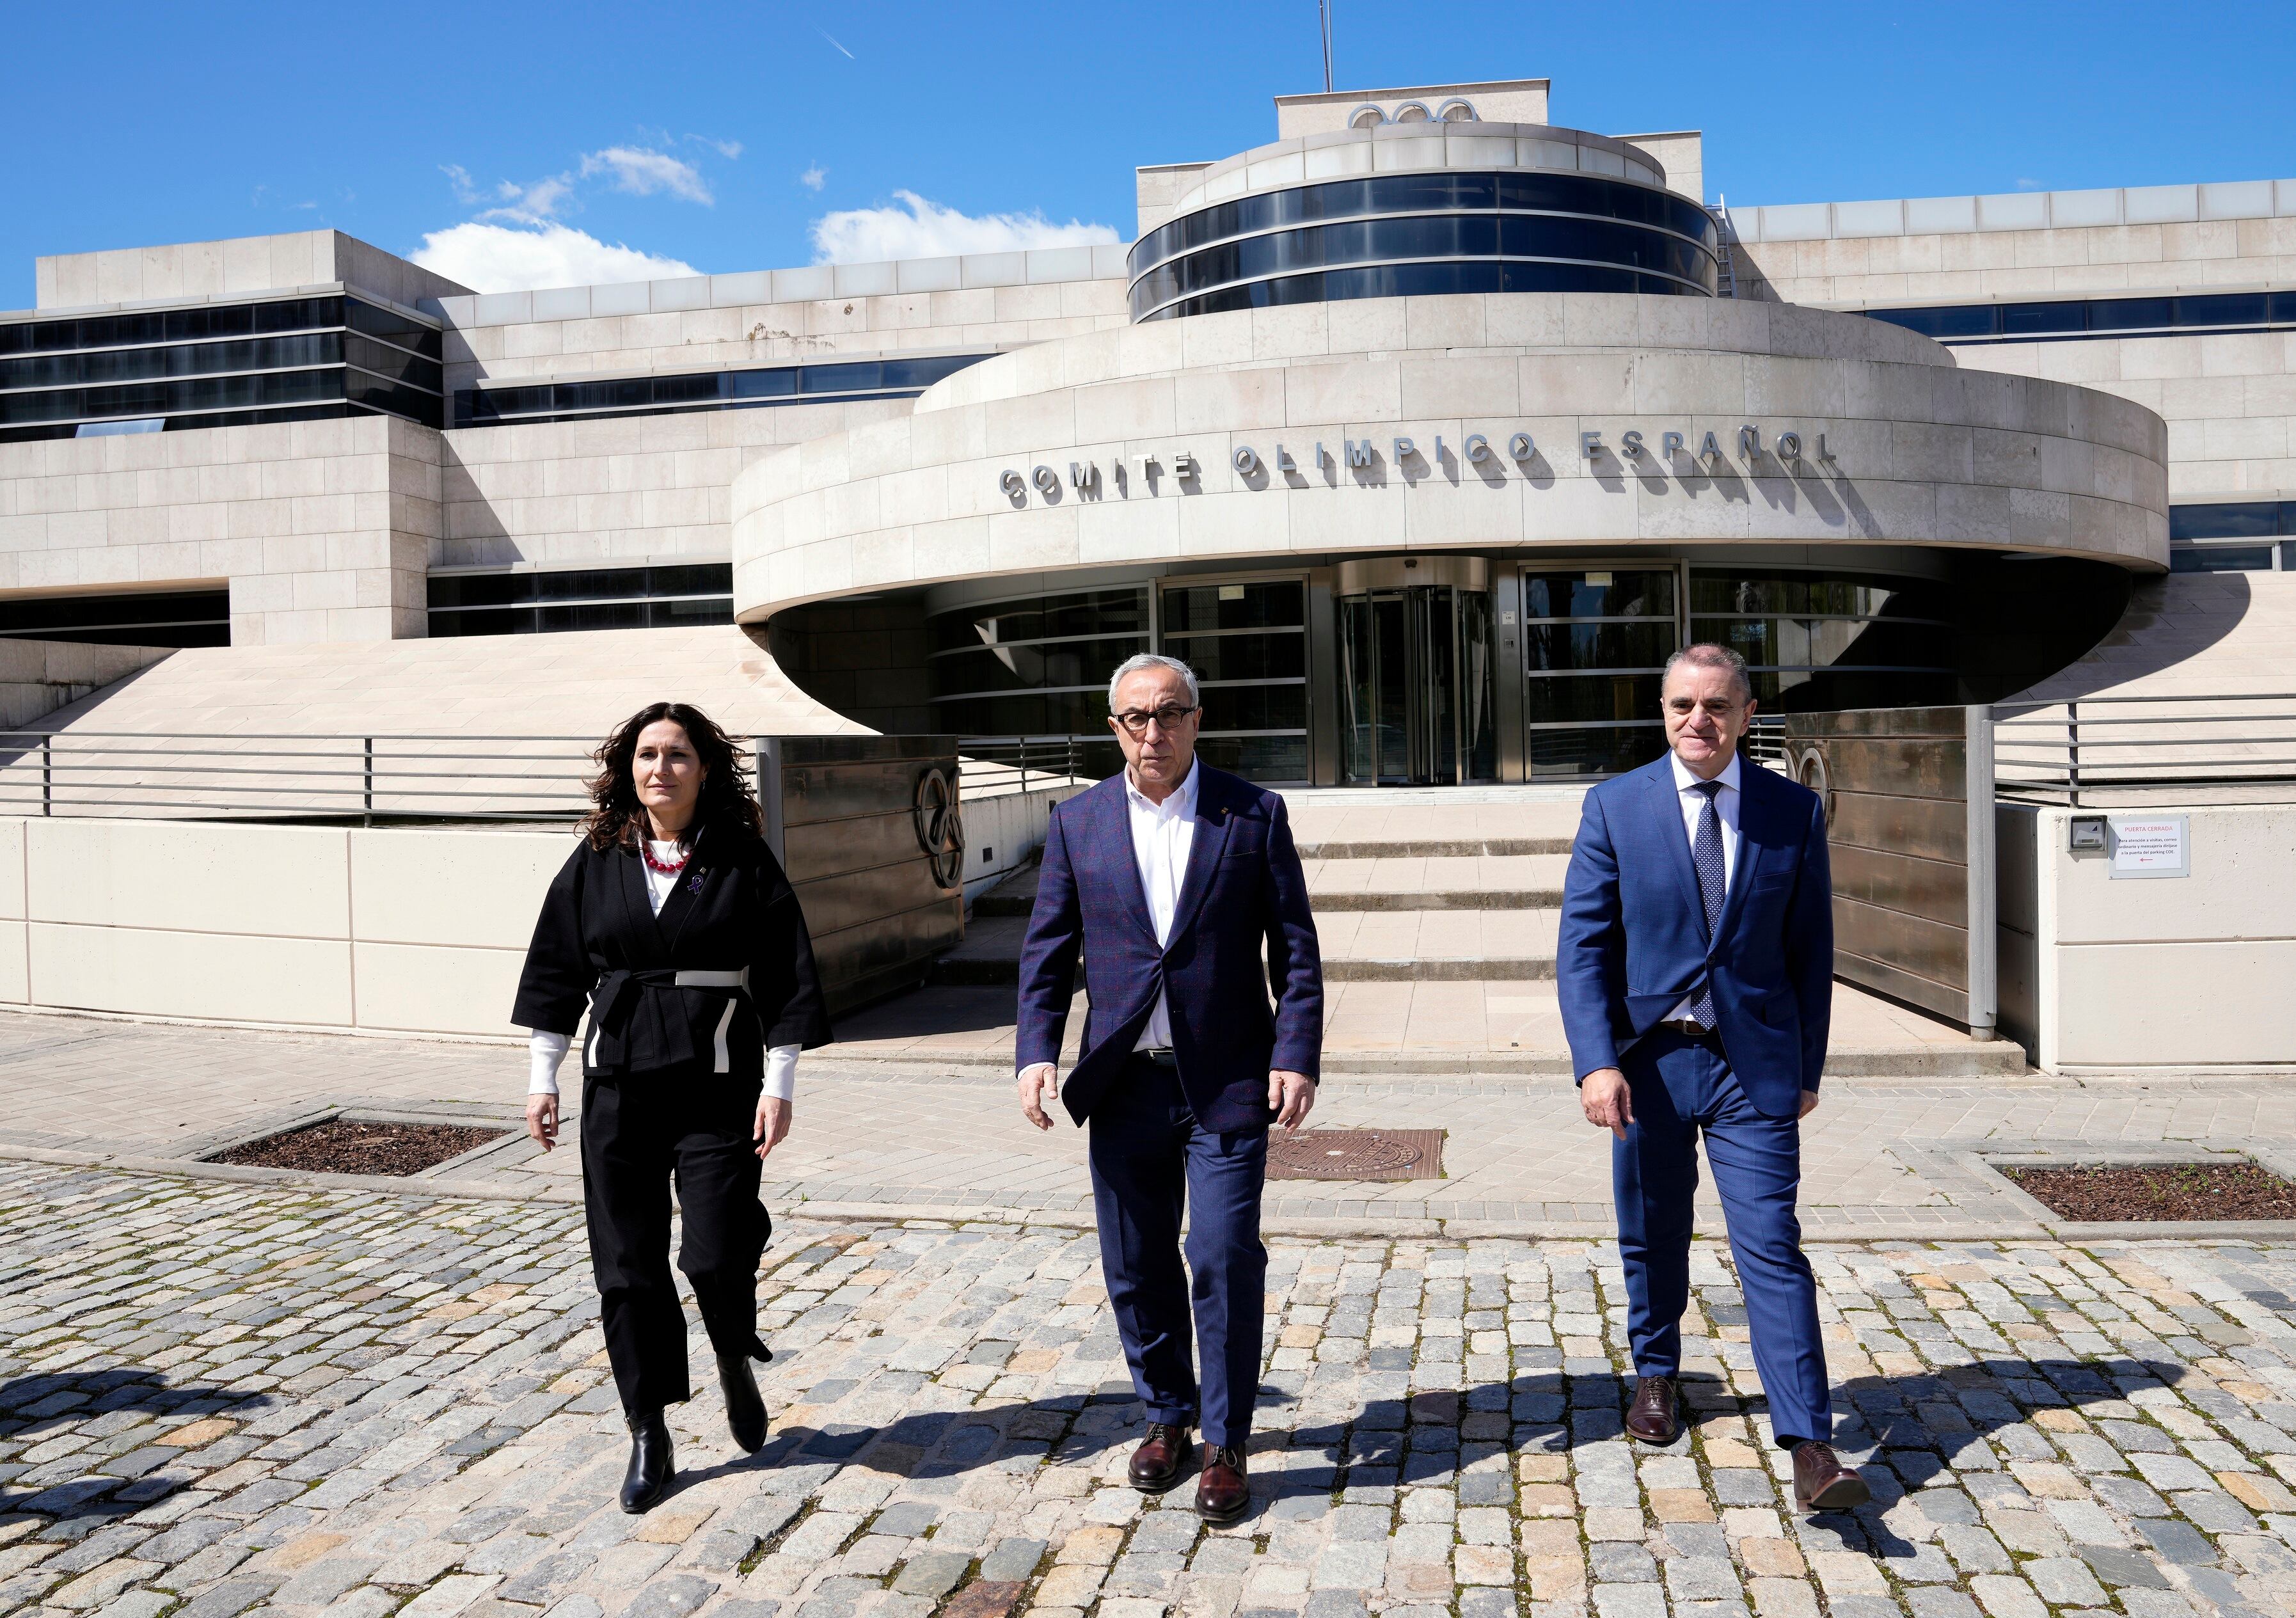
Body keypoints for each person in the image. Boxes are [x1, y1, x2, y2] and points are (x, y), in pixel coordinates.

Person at [1555, 643, 1868, 1513]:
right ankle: (1656, 1372)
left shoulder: (1790, 810)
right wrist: (1596, 1062)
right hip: (1647, 1064)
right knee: (1652, 1230)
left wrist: (1806, 1066)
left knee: (1770, 1243)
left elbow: (1810, 949)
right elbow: (1582, 948)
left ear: (1746, 714)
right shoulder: (1615, 806)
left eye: (1717, 706)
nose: (1699, 720)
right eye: (1682, 705)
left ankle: (1810, 1443)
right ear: (1663, 712)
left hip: (1750, 1068)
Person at [1015, 653, 1322, 1523]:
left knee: (1222, 1255)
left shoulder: (1252, 813)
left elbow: (1294, 948)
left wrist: (1296, 1052)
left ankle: (1225, 1441)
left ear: (1197, 719)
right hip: (1122, 1084)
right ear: (1114, 727)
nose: (1154, 731)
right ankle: (1166, 1416)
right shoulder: (1076, 822)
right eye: (1137, 717)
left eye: (1170, 713)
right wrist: (1035, 1051)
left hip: (1226, 1081)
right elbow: (1047, 950)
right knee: (1136, 1262)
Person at [514, 701, 832, 1514]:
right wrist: (543, 1077)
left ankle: (731, 1349)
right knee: (627, 1264)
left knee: (715, 1252)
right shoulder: (597, 858)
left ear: (704, 769)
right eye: (648, 754)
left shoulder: (740, 858)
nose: (662, 769)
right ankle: (648, 1428)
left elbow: (787, 974)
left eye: (678, 754)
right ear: (629, 769)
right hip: (617, 1085)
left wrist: (780, 1084)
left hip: (716, 1083)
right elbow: (555, 969)